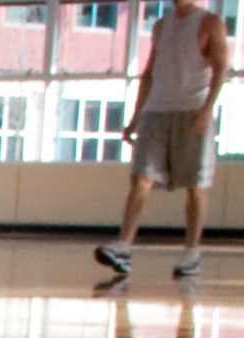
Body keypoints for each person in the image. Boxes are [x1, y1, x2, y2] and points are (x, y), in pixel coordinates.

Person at [96, 0, 228, 280]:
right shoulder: (161, 26)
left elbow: (220, 69)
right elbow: (149, 74)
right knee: (141, 178)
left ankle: (191, 252)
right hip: (157, 111)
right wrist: (135, 118)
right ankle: (124, 245)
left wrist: (207, 110)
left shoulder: (210, 23)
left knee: (195, 185)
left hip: (193, 111)